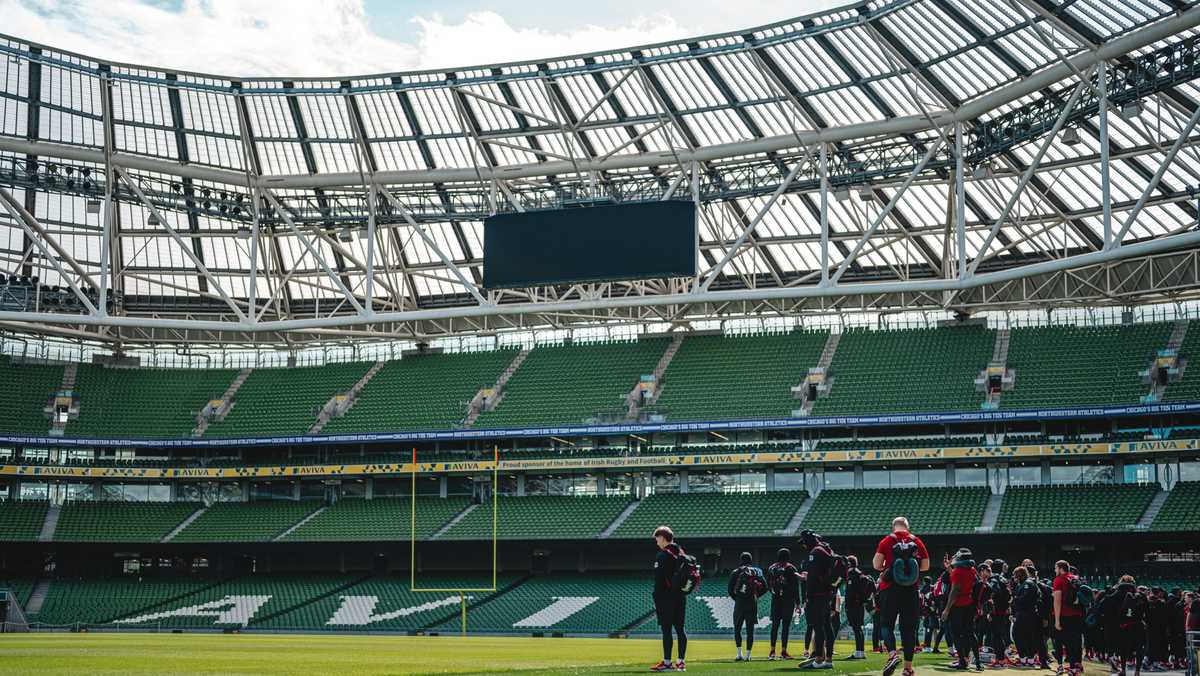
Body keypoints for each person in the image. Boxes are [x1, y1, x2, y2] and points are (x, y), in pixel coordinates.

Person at [873, 516, 930, 676]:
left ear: (893, 527)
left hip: (890, 588)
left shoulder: (886, 541)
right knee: (909, 629)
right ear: (907, 527)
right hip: (911, 590)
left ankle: (892, 655)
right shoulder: (917, 541)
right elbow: (925, 566)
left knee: (886, 624)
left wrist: (888, 567)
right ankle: (908, 668)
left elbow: (876, 565)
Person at [798, 529, 838, 670]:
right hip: (827, 593)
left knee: (818, 626)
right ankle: (828, 660)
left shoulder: (815, 552)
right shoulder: (827, 549)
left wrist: (807, 596)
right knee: (827, 626)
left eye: (804, 543)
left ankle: (819, 659)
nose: (804, 546)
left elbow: (813, 577)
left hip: (817, 595)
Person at [650, 526, 687, 672]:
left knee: (667, 630)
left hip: (666, 597)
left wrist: (656, 597)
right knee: (680, 629)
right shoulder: (680, 552)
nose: (657, 542)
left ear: (663, 538)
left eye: (657, 539)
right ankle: (681, 662)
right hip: (680, 596)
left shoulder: (662, 555)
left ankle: (667, 663)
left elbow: (659, 579)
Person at [941, 548, 982, 671]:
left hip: (957, 606)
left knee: (956, 635)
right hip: (969, 604)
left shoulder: (958, 571)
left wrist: (947, 609)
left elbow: (955, 590)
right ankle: (978, 662)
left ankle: (962, 662)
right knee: (970, 633)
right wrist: (949, 567)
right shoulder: (972, 570)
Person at [728, 551, 766, 662]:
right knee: (750, 630)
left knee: (737, 628)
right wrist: (756, 595)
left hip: (740, 603)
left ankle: (739, 654)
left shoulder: (736, 572)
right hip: (752, 602)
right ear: (751, 560)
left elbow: (730, 589)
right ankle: (748, 655)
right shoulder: (757, 572)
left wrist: (737, 598)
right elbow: (765, 587)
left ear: (741, 560)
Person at [768, 547, 802, 661]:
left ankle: (772, 651)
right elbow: (795, 587)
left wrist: (775, 593)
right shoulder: (791, 568)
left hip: (775, 599)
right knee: (785, 626)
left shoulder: (772, 568)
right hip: (788, 600)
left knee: (775, 626)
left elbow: (769, 585)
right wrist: (798, 603)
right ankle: (783, 651)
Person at [1051, 560, 1084, 676]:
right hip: (1077, 615)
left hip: (1064, 615)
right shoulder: (1075, 578)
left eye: (1056, 568)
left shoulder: (1059, 580)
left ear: (1061, 568)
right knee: (1074, 642)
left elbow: (1057, 601)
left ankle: (1060, 666)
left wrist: (1057, 620)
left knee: (1059, 641)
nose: (1055, 570)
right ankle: (1074, 667)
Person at [845, 555, 875, 660]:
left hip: (854, 605)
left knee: (857, 628)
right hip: (859, 605)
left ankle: (859, 652)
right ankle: (860, 652)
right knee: (858, 629)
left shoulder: (853, 574)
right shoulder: (859, 574)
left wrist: (849, 604)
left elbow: (851, 592)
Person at [1012, 566, 1041, 665]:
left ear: (1019, 575)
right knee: (1028, 636)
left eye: (1015, 575)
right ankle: (1029, 658)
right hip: (1028, 613)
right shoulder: (1026, 583)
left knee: (1018, 635)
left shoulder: (1027, 584)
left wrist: (1015, 599)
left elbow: (1025, 599)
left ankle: (1024, 658)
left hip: (1025, 613)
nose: (1014, 577)